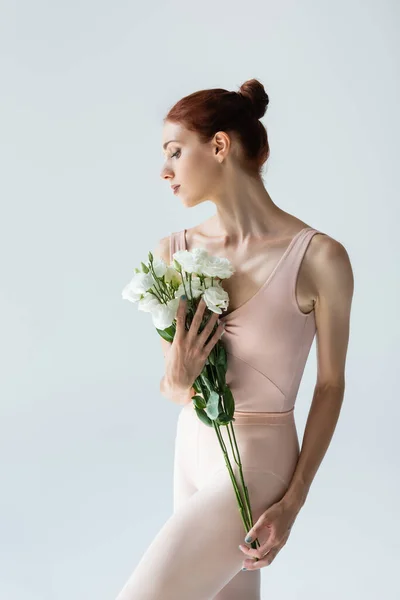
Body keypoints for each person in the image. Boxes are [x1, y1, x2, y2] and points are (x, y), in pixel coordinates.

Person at [115, 78, 354, 600]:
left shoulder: (320, 258)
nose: (164, 171)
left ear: (219, 146)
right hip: (190, 451)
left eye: (175, 152)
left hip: (260, 457)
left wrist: (293, 501)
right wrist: (176, 379)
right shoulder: (172, 253)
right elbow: (177, 388)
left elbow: (331, 385)